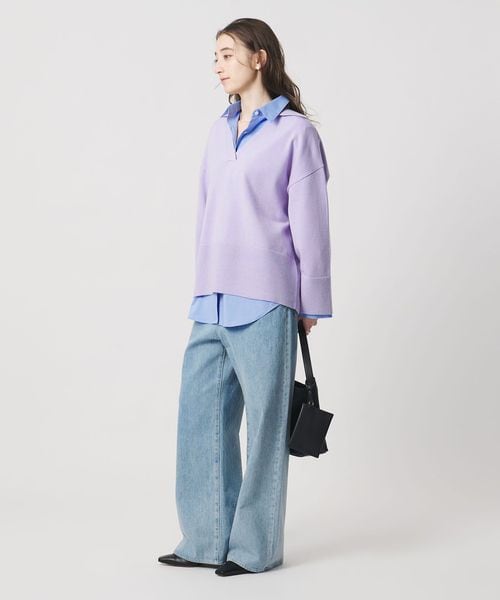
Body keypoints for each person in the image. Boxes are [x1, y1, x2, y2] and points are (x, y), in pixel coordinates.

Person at [158, 17, 333, 576]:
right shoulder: (218, 131)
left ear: (260, 58)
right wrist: (200, 282)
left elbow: (311, 224)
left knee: (264, 429)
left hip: (267, 299)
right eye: (215, 56)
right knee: (200, 418)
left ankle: (255, 550)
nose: (218, 65)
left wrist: (310, 303)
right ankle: (207, 540)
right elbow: (206, 211)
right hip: (211, 298)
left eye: (228, 54)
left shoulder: (296, 134)